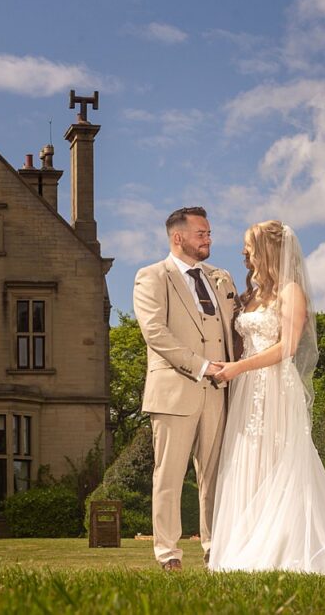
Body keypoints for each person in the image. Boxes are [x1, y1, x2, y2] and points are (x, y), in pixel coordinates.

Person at [205, 220, 325, 573]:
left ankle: (279, 544)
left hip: (275, 386)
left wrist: (238, 369)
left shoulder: (291, 292)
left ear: (266, 250)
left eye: (248, 245)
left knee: (277, 458)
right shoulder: (256, 295)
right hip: (249, 388)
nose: (243, 252)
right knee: (249, 458)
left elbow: (287, 347)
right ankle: (245, 543)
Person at [133, 207, 238, 571]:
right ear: (178, 238)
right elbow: (155, 333)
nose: (208, 239)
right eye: (201, 233)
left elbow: (235, 329)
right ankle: (168, 553)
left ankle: (214, 547)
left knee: (214, 475)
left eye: (208, 233)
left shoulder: (221, 278)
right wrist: (202, 366)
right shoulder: (152, 277)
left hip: (219, 392)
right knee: (169, 475)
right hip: (175, 391)